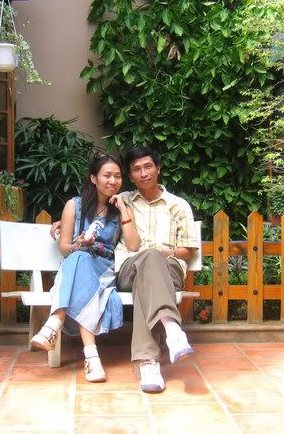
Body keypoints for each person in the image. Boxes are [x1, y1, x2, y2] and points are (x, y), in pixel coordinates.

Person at [51, 147, 199, 393]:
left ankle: (148, 363)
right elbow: (93, 208)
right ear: (130, 176)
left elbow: (189, 251)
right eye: (136, 169)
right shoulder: (123, 199)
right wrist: (60, 222)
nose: (143, 173)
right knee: (147, 260)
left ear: (158, 169)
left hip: (168, 269)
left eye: (148, 167)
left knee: (151, 263)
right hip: (129, 269)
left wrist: (167, 252)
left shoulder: (178, 205)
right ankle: (172, 331)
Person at [30, 153, 140, 383]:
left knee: (79, 262)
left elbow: (133, 245)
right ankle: (91, 356)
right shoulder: (74, 206)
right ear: (93, 178)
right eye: (107, 175)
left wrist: (122, 208)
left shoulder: (121, 208)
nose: (113, 181)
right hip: (77, 262)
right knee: (79, 256)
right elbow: (65, 249)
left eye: (117, 176)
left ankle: (55, 322)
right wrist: (80, 244)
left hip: (104, 268)